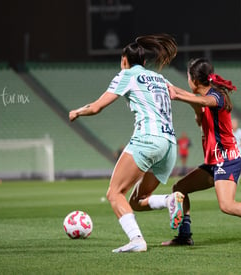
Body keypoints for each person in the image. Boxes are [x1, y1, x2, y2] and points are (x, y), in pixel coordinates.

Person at [69, 34, 184, 253]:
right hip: (169, 144)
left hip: (147, 140)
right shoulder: (159, 78)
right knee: (137, 200)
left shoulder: (127, 75)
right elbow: (179, 93)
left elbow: (96, 107)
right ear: (144, 61)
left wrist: (76, 112)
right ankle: (170, 200)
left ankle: (137, 240)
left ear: (124, 60)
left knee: (114, 193)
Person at [163, 58, 241, 246]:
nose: (187, 82)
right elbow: (193, 98)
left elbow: (204, 100)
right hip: (214, 161)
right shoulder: (204, 96)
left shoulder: (216, 97)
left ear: (195, 81)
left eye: (188, 77)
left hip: (227, 160)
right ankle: (184, 236)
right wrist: (165, 86)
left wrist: (179, 96)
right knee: (179, 189)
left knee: (227, 205)